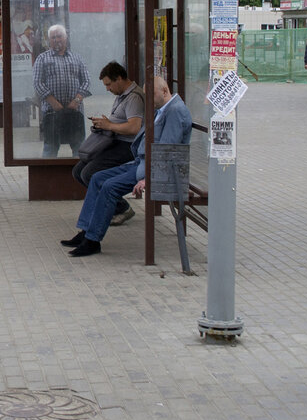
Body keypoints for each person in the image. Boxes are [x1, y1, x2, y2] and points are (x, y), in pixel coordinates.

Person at [61, 76, 192, 257]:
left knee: (109, 186)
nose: (149, 100)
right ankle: (85, 231)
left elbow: (167, 151)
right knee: (98, 177)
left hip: (155, 171)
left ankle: (92, 240)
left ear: (164, 90)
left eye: (152, 95)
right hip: (140, 162)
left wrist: (147, 178)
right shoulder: (162, 108)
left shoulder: (175, 111)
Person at [71, 62, 145, 225]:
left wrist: (109, 125)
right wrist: (105, 123)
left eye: (109, 84)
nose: (107, 89)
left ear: (119, 79)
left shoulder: (134, 97)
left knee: (89, 173)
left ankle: (120, 207)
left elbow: (134, 127)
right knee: (78, 171)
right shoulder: (122, 96)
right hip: (115, 141)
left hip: (128, 146)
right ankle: (113, 205)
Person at [33, 24, 91, 158]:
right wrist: (54, 103)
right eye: (53, 37)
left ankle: (79, 176)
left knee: (79, 148)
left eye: (59, 36)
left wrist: (76, 101)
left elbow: (87, 81)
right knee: (50, 149)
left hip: (75, 111)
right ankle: (47, 177)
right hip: (51, 113)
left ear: (66, 38)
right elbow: (37, 83)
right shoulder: (42, 59)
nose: (56, 40)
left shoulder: (77, 58)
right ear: (49, 40)